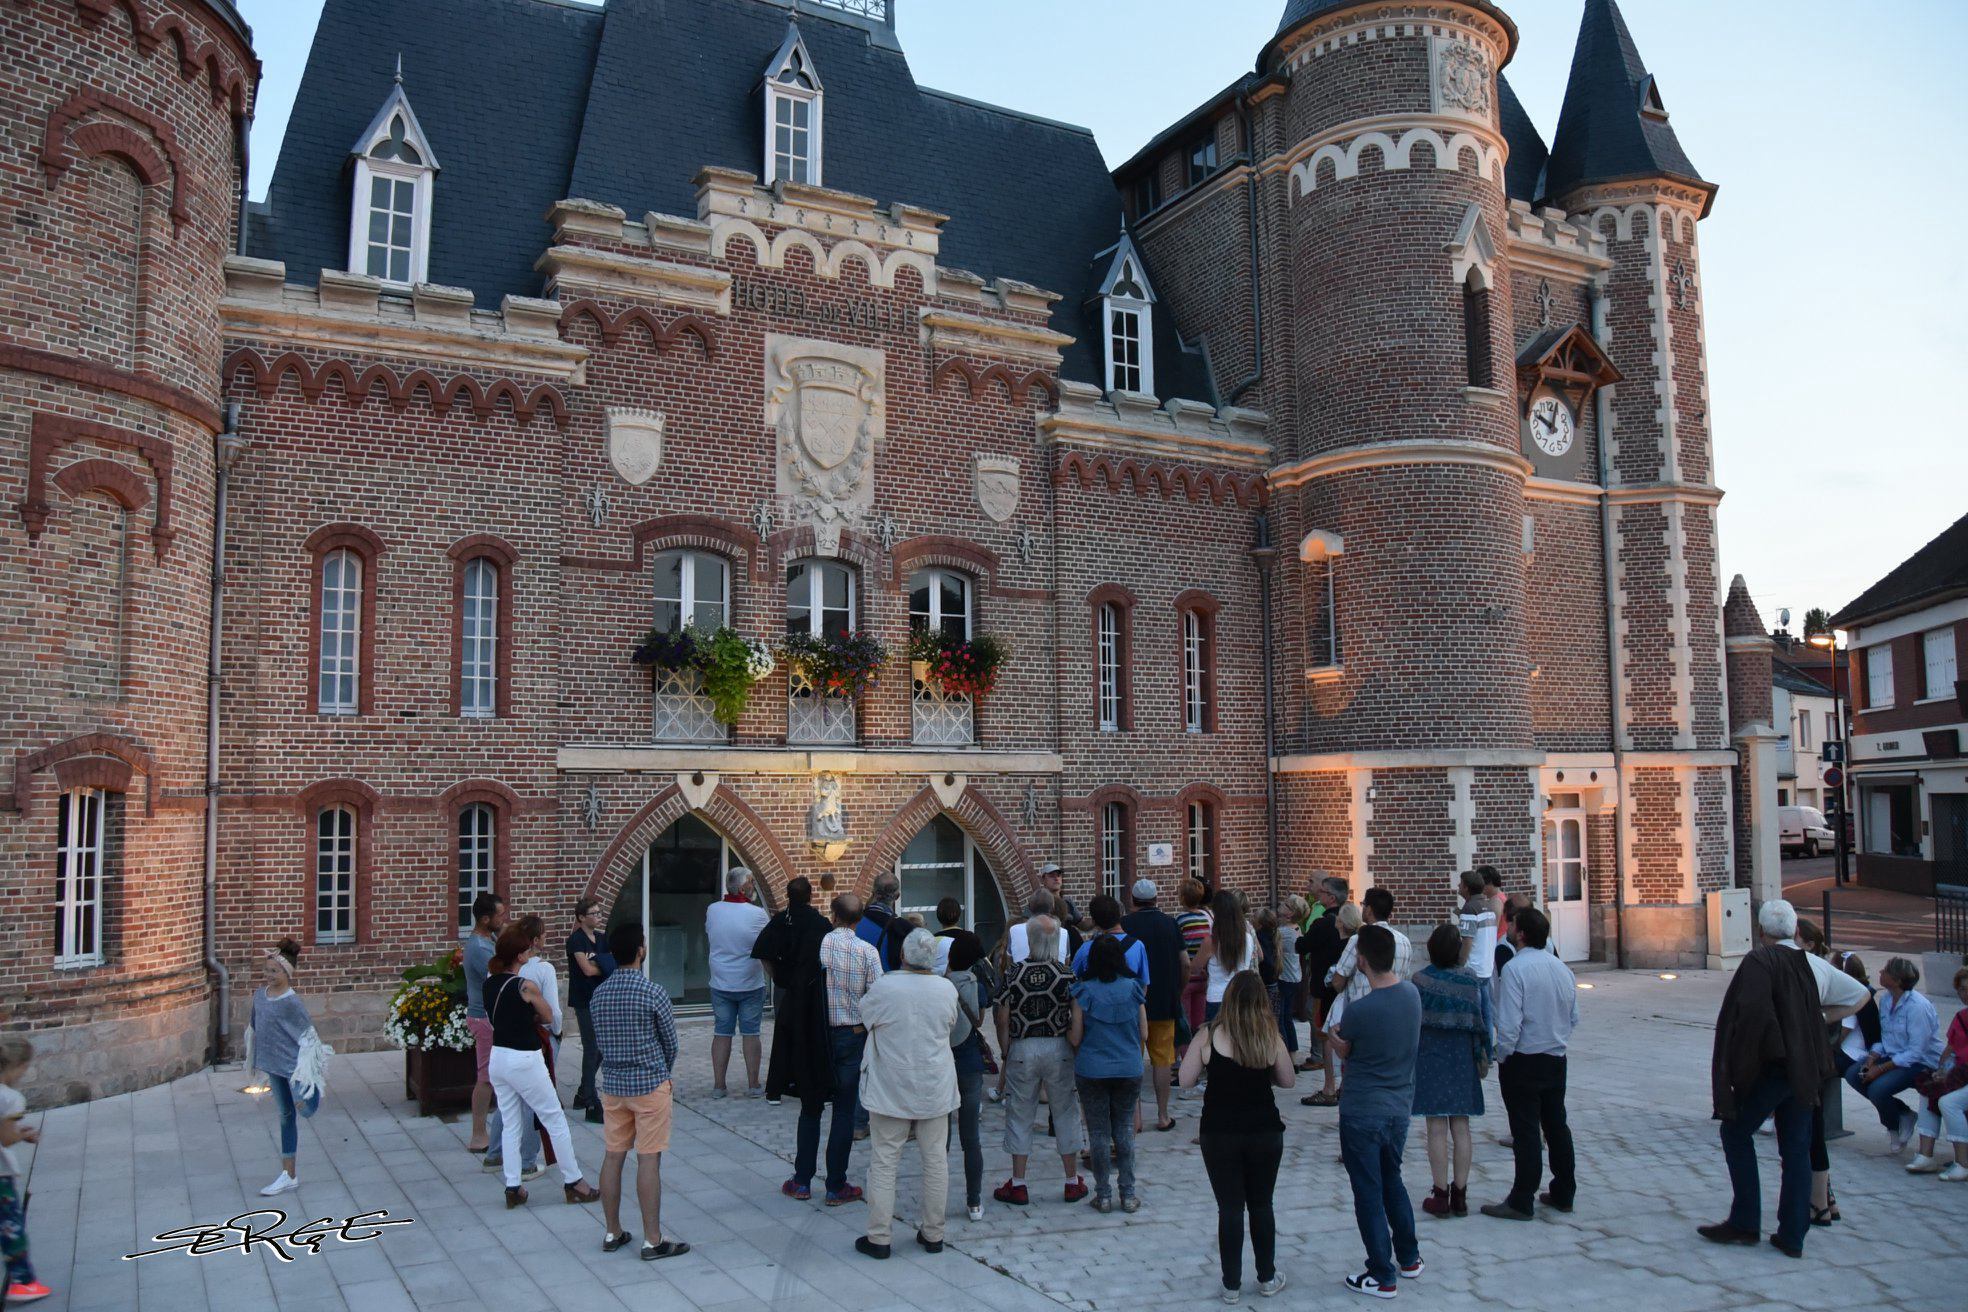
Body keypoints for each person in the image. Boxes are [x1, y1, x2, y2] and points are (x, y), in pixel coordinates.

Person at [1698, 899, 1858, 1258]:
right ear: (1795, 931)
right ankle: (1793, 1233)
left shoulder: (1760, 960)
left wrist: (1745, 1064)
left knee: (1735, 1132)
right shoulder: (1808, 961)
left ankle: (1744, 1221)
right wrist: (1820, 1020)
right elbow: (1860, 994)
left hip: (1776, 1065)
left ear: (1761, 932)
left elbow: (1752, 1013)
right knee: (1795, 1149)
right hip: (1804, 1065)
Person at [1180, 971, 1293, 1303]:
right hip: (1264, 1129)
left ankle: (1231, 1284)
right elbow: (1288, 1081)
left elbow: (1185, 1080)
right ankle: (1267, 1277)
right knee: (1261, 1204)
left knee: (1229, 1207)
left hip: (1219, 1131)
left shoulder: (1209, 1035)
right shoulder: (1268, 1034)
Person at [1328, 925, 1424, 1299]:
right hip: (1399, 1106)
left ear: (1362, 960)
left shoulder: (1360, 1009)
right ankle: (1410, 1256)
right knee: (1392, 1180)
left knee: (1367, 1191)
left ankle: (1381, 1274)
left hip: (1362, 1109)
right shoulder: (1413, 996)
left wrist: (1338, 1045)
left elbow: (1347, 1049)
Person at [855, 929, 962, 1260]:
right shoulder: (946, 989)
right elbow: (950, 1025)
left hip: (892, 1083)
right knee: (935, 1161)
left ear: (902, 955)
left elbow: (865, 1017)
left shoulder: (886, 987)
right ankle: (934, 1232)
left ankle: (879, 1237)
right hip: (934, 1083)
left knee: (885, 1161)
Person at [485, 924, 601, 1208]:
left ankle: (513, 1187)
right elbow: (548, 1014)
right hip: (524, 1057)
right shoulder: (524, 985)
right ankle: (574, 1181)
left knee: (512, 1123)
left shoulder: (489, 984)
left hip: (498, 1057)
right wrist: (534, 1016)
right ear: (521, 956)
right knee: (554, 1118)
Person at [590, 921, 688, 1260]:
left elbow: (598, 1043)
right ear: (640, 951)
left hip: (614, 1084)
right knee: (649, 1159)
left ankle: (611, 1231)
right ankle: (652, 1239)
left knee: (613, 1155)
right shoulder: (653, 992)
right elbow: (670, 1043)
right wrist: (662, 1069)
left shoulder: (599, 993)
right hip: (648, 1083)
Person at [1480, 907, 1577, 1222]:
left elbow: (1509, 1023)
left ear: (1520, 934)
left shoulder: (1515, 969)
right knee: (1556, 1125)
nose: (1508, 928)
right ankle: (1564, 1190)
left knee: (1526, 1131)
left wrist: (1504, 1054)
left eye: (1512, 925)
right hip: (1555, 1057)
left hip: (1523, 1059)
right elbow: (1573, 1016)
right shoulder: (1562, 969)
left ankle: (1522, 1198)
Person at [784, 895, 880, 1205]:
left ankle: (801, 1180)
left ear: (833, 915)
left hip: (817, 1033)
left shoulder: (818, 945)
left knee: (811, 1107)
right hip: (852, 1035)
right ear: (859, 920)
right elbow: (877, 997)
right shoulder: (868, 951)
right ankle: (836, 1184)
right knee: (843, 1111)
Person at [993, 916, 1088, 1207]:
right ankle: (1072, 1181)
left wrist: (1006, 1049)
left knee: (1020, 1113)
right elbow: (1077, 1013)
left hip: (1023, 1047)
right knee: (1065, 1111)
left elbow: (1002, 1016)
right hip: (1058, 1045)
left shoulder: (1014, 974)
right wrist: (1073, 1042)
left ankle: (1019, 1183)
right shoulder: (1067, 975)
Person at [1414, 924, 1491, 1219]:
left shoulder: (1420, 980)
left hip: (1431, 1057)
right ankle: (1460, 1194)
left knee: (1435, 1127)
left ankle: (1440, 1193)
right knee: (1462, 1127)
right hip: (1461, 1057)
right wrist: (1482, 1053)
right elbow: (1480, 1021)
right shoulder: (1470, 981)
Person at [1069, 934, 1147, 1213]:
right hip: (1128, 1066)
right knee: (1124, 1130)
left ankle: (1102, 1195)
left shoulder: (1082, 991)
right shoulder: (1134, 988)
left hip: (1092, 1068)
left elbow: (1076, 1037)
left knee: (1099, 1132)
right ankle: (1128, 1193)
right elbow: (1145, 1032)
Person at [246, 938, 327, 1197]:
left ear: (287, 973)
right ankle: (289, 1175)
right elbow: (255, 1027)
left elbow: (309, 1036)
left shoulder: (292, 1003)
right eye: (266, 970)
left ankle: (312, 1097)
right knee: (285, 1117)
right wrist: (254, 1057)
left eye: (274, 971)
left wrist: (309, 1072)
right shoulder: (259, 996)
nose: (268, 975)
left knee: (304, 1109)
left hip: (294, 1067)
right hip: (272, 1064)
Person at [1847, 956, 1943, 1150]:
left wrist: (1881, 1069)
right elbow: (1885, 1039)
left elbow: (1916, 1051)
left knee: (1878, 1089)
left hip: (1920, 1062)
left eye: (1886, 971)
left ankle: (1894, 1124)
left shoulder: (1917, 1007)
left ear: (1898, 980)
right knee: (1854, 1074)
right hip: (1894, 1054)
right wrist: (1871, 1060)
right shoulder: (1886, 999)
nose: (1880, 973)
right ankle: (1900, 1115)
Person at [756, 877, 831, 1113]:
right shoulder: (820, 923)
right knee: (813, 1035)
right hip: (812, 989)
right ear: (810, 896)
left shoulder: (779, 921)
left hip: (786, 988)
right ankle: (814, 1085)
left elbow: (763, 953)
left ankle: (776, 1089)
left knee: (783, 1035)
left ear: (788, 895)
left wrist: (778, 977)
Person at [1121, 879, 1189, 1133]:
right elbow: (1184, 963)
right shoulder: (1170, 923)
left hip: (1133, 1004)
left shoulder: (1126, 924)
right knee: (1162, 1060)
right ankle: (1162, 1115)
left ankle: (1134, 1118)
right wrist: (1178, 991)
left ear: (1133, 899)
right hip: (1164, 1001)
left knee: (1132, 1061)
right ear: (1156, 898)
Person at [706, 866, 770, 1099]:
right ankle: (753, 1084)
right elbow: (765, 943)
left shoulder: (713, 910)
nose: (754, 886)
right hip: (750, 981)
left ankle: (719, 1086)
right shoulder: (757, 914)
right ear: (744, 887)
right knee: (751, 1033)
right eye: (752, 882)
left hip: (721, 980)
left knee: (721, 1032)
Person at [945, 932, 994, 1221]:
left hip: (943, 1060)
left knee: (941, 1137)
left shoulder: (941, 985)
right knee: (971, 1138)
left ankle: (938, 1197)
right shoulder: (976, 985)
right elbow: (979, 1019)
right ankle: (974, 1202)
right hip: (970, 1061)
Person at [514, 914, 565, 1171]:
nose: (546, 938)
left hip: (512, 1036)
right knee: (536, 1100)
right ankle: (528, 1161)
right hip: (540, 1036)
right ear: (535, 940)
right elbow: (553, 1011)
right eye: (544, 934)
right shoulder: (543, 969)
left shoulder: (509, 967)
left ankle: (496, 1153)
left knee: (511, 1097)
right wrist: (558, 1031)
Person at [1907, 966, 1968, 1180]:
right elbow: (1949, 1051)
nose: (1964, 993)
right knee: (1929, 1091)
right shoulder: (1960, 1017)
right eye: (1961, 989)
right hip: (1960, 1075)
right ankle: (1926, 1155)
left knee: (1949, 1103)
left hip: (1965, 1077)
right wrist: (1942, 1072)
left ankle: (1963, 1164)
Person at [0, 1038, 46, 1306]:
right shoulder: (10, 1098)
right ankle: (23, 1283)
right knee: (12, 1229)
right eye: (25, 1068)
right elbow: (5, 1139)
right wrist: (23, 1136)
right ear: (16, 1065)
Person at [464, 891, 509, 1154]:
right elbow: (499, 976)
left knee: (490, 1075)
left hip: (489, 1016)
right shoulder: (479, 949)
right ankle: (478, 1134)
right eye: (499, 915)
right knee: (485, 1077)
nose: (503, 919)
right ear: (484, 919)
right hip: (483, 1018)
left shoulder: (488, 940)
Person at [1298, 877, 1347, 1105]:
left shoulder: (1324, 923)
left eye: (1323, 891)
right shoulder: (1349, 921)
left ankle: (1329, 1087)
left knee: (1326, 1035)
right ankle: (1344, 1084)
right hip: (1345, 987)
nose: (1319, 893)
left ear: (1332, 898)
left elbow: (1302, 945)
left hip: (1324, 988)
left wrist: (1299, 935)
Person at [567, 897, 615, 1123]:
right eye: (594, 913)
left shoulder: (602, 939)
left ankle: (583, 1092)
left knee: (602, 1047)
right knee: (591, 1045)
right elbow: (587, 970)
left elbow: (611, 965)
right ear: (581, 918)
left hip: (601, 997)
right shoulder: (576, 941)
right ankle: (589, 1097)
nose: (598, 916)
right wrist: (601, 966)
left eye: (599, 912)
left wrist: (602, 966)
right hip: (584, 998)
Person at [1328, 888, 1412, 1007]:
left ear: (1369, 910)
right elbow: (1403, 977)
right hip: (1394, 1008)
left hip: (1363, 1009)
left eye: (1363, 905)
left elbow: (1338, 982)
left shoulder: (1359, 939)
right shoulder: (1405, 941)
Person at [1197, 889, 1256, 1024]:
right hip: (1240, 995)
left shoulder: (1212, 942)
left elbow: (1195, 967)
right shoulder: (1248, 938)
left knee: (1215, 1039)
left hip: (1217, 996)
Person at [1175, 879, 1214, 1055]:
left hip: (1186, 977)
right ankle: (1201, 1056)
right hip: (1203, 975)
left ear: (1182, 898)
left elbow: (1177, 947)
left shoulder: (1180, 919)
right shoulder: (1205, 918)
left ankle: (1186, 1058)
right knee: (1199, 1021)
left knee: (1184, 1021)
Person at [1455, 870, 1497, 992]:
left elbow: (1467, 941)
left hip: (1472, 970)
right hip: (1486, 968)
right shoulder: (1489, 906)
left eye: (1461, 883)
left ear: (1466, 887)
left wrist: (1459, 965)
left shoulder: (1469, 908)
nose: (1458, 885)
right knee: (1487, 1009)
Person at [1275, 895, 1305, 1062]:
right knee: (1287, 1018)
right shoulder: (1296, 928)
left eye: (1286, 905)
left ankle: (1286, 1056)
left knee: (1281, 1018)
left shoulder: (1284, 932)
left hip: (1285, 978)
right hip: (1294, 978)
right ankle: (1292, 1056)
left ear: (1290, 913)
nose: (1281, 904)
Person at [857, 873, 906, 971]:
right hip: (889, 982)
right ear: (897, 896)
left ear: (873, 893)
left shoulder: (854, 922)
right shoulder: (903, 929)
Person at [1005, 891, 1064, 966]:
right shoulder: (1064, 932)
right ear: (1053, 907)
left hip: (1022, 975)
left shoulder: (1014, 930)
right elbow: (1065, 964)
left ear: (1029, 907)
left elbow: (1009, 963)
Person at [1039, 862, 1088, 939]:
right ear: (1043, 880)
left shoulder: (1067, 901)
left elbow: (1082, 925)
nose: (1056, 879)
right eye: (1051, 876)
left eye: (1058, 875)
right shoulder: (1037, 902)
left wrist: (1098, 918)